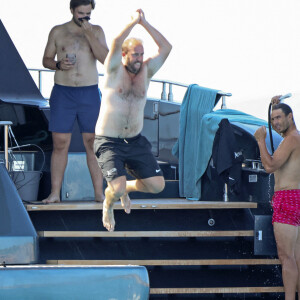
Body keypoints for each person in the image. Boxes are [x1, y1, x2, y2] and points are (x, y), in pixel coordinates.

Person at [94, 9, 172, 231]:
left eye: (141, 54)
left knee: (157, 186)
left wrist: (145, 23)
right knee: (115, 189)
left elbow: (166, 48)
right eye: (135, 54)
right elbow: (117, 40)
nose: (139, 58)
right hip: (109, 141)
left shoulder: (146, 72)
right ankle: (108, 204)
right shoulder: (113, 69)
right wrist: (132, 23)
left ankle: (124, 189)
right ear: (124, 55)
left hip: (135, 141)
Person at [42, 0, 108, 204]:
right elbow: (45, 59)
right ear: (72, 10)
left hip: (89, 93)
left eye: (88, 13)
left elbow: (105, 58)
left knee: (92, 143)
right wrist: (58, 64)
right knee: (60, 143)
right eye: (81, 13)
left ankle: (99, 193)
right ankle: (54, 194)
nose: (85, 17)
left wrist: (89, 34)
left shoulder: (96, 31)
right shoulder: (58, 31)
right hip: (64, 93)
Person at [254, 95, 300, 300]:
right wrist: (273, 108)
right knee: (297, 258)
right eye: (273, 119)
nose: (275, 123)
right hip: (295, 197)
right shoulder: (294, 138)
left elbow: (270, 166)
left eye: (279, 118)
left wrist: (260, 140)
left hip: (287, 199)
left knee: (287, 258)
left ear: (291, 116)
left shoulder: (291, 139)